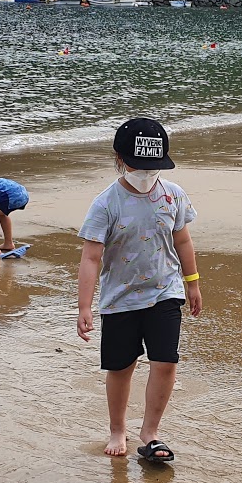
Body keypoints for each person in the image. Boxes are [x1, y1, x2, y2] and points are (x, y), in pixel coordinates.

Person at [77, 118, 202, 463]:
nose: (146, 174)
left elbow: (182, 239)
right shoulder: (106, 203)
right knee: (121, 367)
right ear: (119, 158)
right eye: (138, 166)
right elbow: (91, 257)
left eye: (153, 168)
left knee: (165, 362)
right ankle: (118, 429)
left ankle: (150, 434)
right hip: (120, 300)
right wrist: (84, 307)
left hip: (166, 292)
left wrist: (192, 283)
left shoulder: (173, 194)